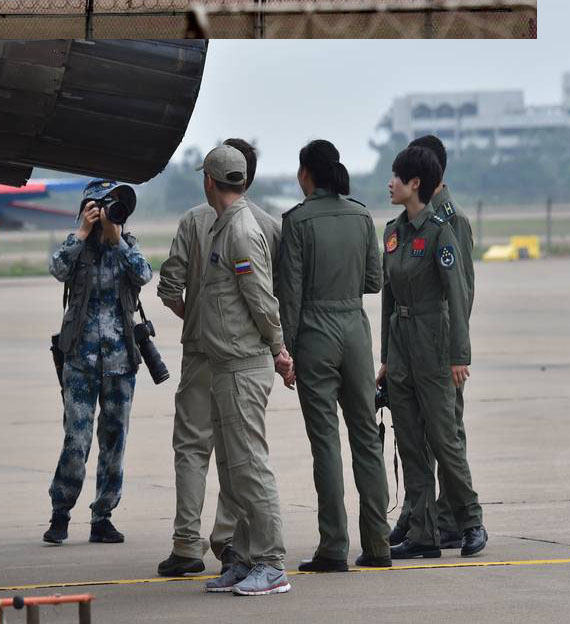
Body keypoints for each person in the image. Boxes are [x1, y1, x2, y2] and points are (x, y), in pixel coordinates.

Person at [156, 139, 281, 577]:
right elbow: (274, 291)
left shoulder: (195, 220)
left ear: (211, 178)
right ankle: (230, 542)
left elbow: (170, 288)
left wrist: (200, 319)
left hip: (205, 353)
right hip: (247, 351)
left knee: (196, 447)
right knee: (238, 452)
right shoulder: (267, 224)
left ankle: (187, 543)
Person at [276, 140, 393, 573]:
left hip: (315, 333)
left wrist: (284, 350)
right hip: (355, 332)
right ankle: (379, 543)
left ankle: (333, 546)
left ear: (307, 173)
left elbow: (290, 294)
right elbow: (375, 281)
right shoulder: (362, 216)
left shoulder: (298, 221)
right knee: (366, 437)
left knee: (325, 442)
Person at [377, 147, 487, 559]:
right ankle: (423, 532)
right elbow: (388, 296)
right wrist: (386, 358)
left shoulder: (441, 231)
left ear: (415, 184)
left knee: (444, 439)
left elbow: (458, 294)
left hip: (435, 345)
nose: (391, 183)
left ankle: (470, 520)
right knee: (410, 443)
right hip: (402, 348)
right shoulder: (392, 232)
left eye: (397, 177)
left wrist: (460, 356)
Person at [195, 145, 294, 597]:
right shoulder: (226, 226)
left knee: (250, 467)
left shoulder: (241, 232)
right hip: (224, 364)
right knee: (234, 474)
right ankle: (246, 558)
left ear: (209, 182)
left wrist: (278, 349)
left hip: (242, 366)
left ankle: (271, 564)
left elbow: (259, 297)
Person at [43, 180, 152, 546]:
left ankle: (103, 516)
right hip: (80, 360)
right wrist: (83, 231)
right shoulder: (77, 248)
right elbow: (57, 268)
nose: (107, 210)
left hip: (121, 361)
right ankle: (61, 513)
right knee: (76, 439)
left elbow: (144, 275)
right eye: (101, 204)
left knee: (114, 441)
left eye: (113, 204)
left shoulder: (126, 246)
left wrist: (116, 237)